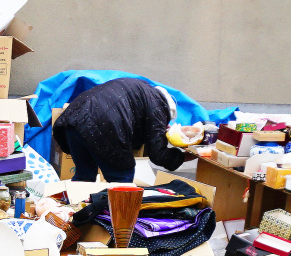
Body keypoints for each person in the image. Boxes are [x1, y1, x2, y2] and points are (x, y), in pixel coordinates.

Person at [51, 77, 188, 183]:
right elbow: (159, 155)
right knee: (122, 178)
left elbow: (133, 128)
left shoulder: (142, 90)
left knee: (84, 176)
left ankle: (75, 212)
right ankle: (115, 218)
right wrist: (186, 156)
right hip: (102, 123)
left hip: (72, 118)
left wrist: (156, 131)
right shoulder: (159, 107)